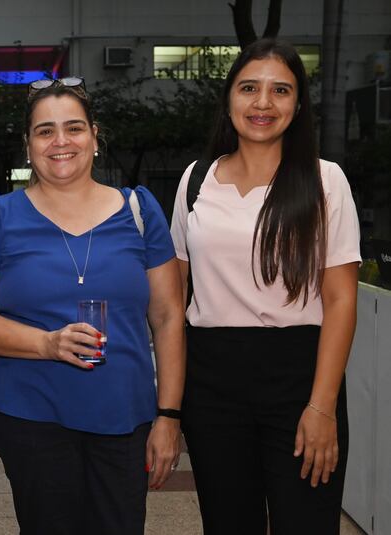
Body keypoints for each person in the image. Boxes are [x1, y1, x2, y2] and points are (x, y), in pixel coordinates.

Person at [0, 77, 185, 535]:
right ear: (27, 145)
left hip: (124, 419)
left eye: (74, 128)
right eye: (45, 131)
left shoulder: (140, 211)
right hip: (33, 419)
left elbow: (168, 316)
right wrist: (46, 343)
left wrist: (169, 417)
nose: (61, 141)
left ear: (95, 137)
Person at [170, 38, 361, 535]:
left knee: (307, 523)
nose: (262, 103)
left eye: (280, 91)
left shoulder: (325, 181)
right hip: (211, 381)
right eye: (249, 88)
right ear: (229, 98)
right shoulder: (195, 181)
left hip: (300, 378)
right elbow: (173, 294)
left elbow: (341, 301)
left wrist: (322, 405)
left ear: (298, 106)